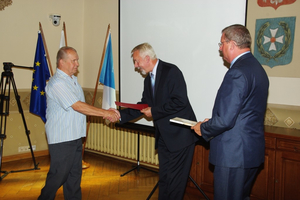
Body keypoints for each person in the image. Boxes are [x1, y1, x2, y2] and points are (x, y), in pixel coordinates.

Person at [111, 43, 199, 200]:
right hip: (164, 137)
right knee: (165, 179)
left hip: (180, 137)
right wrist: (120, 115)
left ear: (147, 58)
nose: (136, 66)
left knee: (175, 183)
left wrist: (154, 111)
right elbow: (144, 105)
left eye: (137, 61)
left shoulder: (171, 71)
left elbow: (180, 101)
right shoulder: (148, 80)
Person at [191, 24, 269, 200]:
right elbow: (242, 112)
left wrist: (203, 128)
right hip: (249, 152)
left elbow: (226, 120)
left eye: (221, 43)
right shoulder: (258, 69)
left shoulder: (237, 72)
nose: (220, 48)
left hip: (233, 155)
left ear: (232, 44)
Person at [38, 46, 120, 200]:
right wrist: (105, 113)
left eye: (77, 60)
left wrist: (105, 110)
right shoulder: (57, 83)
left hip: (75, 136)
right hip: (62, 138)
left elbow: (81, 106)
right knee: (58, 176)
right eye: (74, 60)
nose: (77, 64)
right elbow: (77, 106)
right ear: (61, 62)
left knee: (74, 178)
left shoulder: (73, 81)